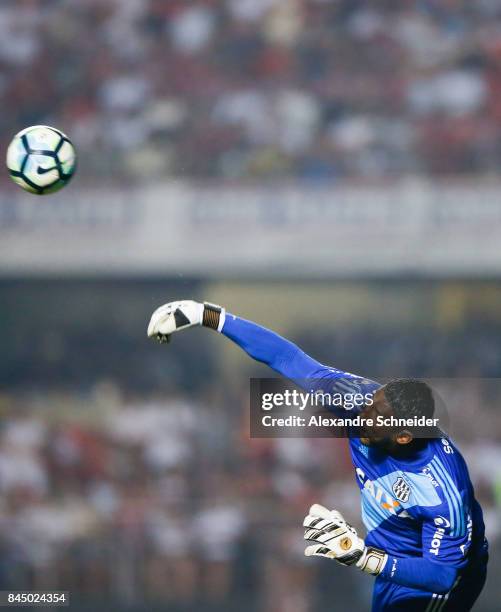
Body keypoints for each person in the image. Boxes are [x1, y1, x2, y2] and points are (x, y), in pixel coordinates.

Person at [147, 300, 489, 611]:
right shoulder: (359, 398)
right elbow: (288, 358)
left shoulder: (440, 485)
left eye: (376, 418)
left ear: (403, 436)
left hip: (442, 578)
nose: (363, 416)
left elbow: (443, 575)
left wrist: (362, 556)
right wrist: (209, 316)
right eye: (371, 405)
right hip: (392, 552)